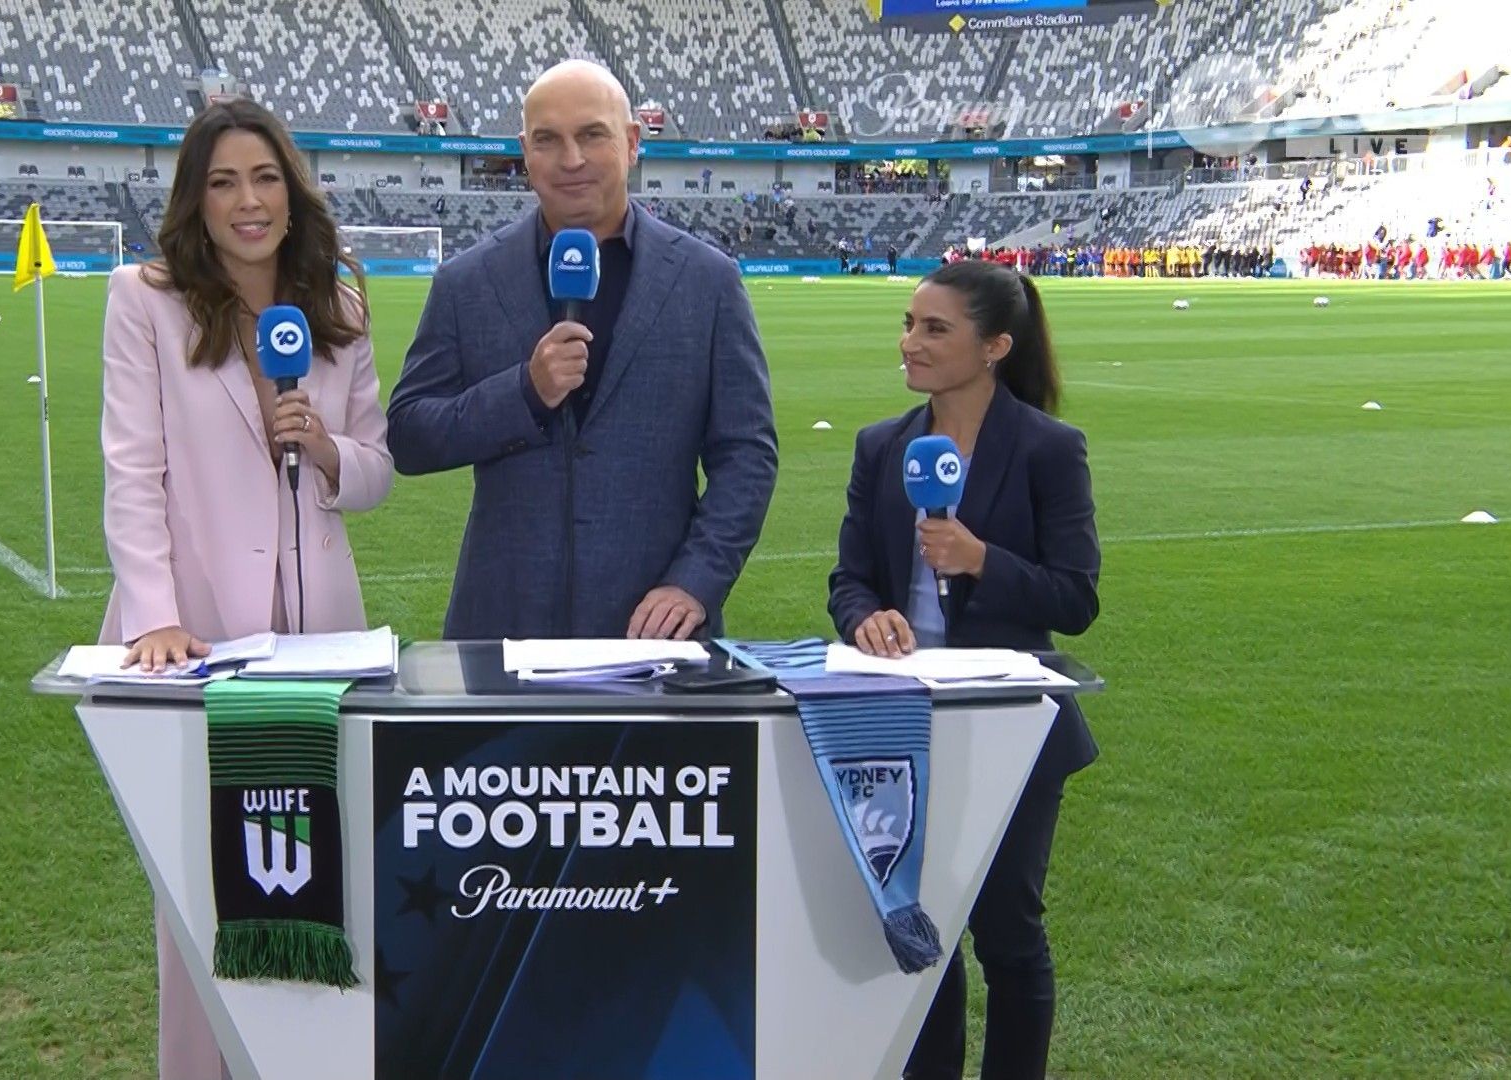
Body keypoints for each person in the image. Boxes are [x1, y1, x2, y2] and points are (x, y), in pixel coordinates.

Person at [97, 97, 393, 1079]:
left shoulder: (339, 310)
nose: (248, 201)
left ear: (291, 192)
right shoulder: (145, 299)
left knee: (317, 876)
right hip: (192, 635)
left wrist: (327, 448)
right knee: (199, 889)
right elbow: (133, 469)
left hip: (320, 638)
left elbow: (378, 471)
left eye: (264, 178)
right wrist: (155, 617)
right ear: (197, 200)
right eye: (223, 183)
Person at [386, 59, 777, 640]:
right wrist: (525, 392)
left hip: (652, 629)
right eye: (548, 140)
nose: (570, 159)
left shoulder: (708, 281)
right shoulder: (466, 282)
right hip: (502, 625)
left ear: (632, 142)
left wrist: (696, 581)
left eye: (592, 135)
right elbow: (409, 436)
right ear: (525, 152)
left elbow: (746, 455)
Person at [827, 259, 1099, 1080]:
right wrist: (864, 618)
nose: (911, 342)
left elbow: (1076, 597)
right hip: (903, 721)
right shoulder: (883, 446)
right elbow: (849, 579)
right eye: (909, 324)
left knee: (1008, 934)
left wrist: (981, 559)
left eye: (935, 329)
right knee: (921, 931)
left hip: (1009, 727)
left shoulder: (1049, 449)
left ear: (995, 347)